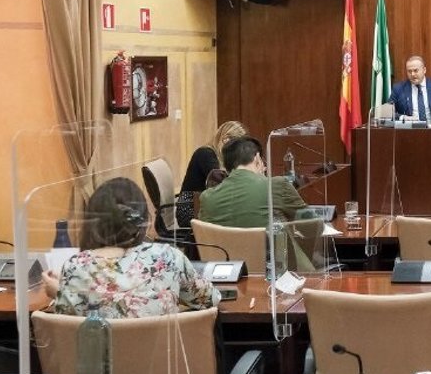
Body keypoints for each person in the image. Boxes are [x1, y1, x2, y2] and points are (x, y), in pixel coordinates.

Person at [44, 177, 219, 318]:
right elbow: (210, 299)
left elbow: (69, 324)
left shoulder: (75, 266)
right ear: (143, 220)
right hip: (161, 353)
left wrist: (61, 291)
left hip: (100, 354)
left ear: (93, 223)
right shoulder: (168, 257)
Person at [198, 137, 309, 228]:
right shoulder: (276, 185)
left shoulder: (207, 197)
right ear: (257, 158)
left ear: (227, 168)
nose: (265, 168)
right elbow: (312, 226)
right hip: (268, 249)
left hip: (224, 250)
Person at [175, 120, 247, 230]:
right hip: (190, 209)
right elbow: (222, 182)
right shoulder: (205, 153)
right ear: (226, 140)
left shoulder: (219, 156)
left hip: (205, 206)